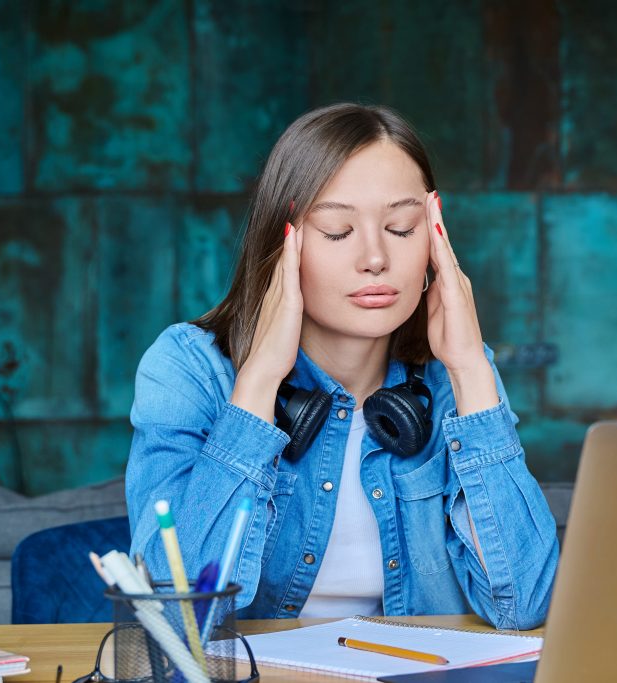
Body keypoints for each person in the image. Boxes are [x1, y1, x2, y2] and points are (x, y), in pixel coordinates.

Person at [126, 103, 558, 630]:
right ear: (281, 242)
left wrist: (470, 369)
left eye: (401, 228)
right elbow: (177, 617)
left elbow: (524, 606)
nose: (375, 257)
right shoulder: (188, 368)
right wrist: (258, 384)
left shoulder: (458, 375)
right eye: (337, 231)